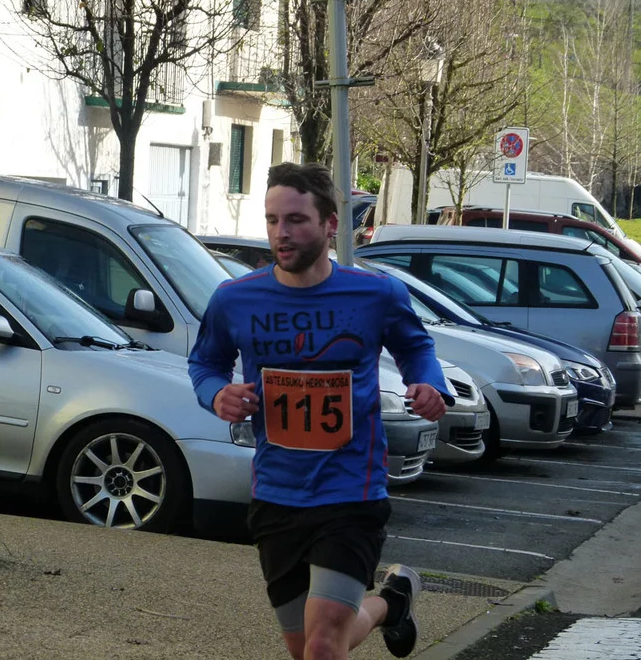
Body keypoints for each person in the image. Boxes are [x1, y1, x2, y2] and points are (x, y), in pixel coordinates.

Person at [188, 162, 452, 660]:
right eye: (272, 220)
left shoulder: (376, 294)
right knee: (310, 646)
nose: (281, 233)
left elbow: (417, 348)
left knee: (324, 645)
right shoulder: (235, 299)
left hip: (351, 492)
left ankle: (385, 604)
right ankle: (390, 604)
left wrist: (429, 384)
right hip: (277, 494)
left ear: (331, 224)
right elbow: (205, 363)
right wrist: (218, 394)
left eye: (295, 220)